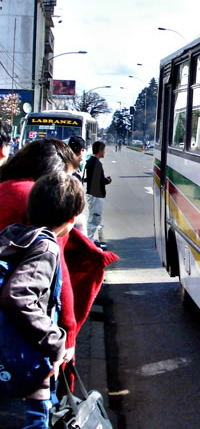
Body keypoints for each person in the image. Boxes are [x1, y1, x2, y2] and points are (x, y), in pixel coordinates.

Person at [0, 140, 117, 383]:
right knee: (35, 406)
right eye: (67, 177)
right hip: (21, 332)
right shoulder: (40, 202)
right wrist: (67, 338)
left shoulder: (5, 187)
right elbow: (59, 275)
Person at [0, 172, 84, 429]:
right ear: (72, 218)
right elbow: (19, 295)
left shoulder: (12, 236)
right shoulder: (46, 246)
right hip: (26, 387)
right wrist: (56, 341)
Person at [84, 141, 112, 243]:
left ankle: (90, 238)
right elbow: (98, 180)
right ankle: (89, 240)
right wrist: (107, 180)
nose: (104, 152)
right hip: (96, 194)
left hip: (94, 193)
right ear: (100, 151)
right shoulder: (96, 163)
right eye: (104, 150)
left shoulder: (91, 161)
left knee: (94, 217)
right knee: (94, 218)